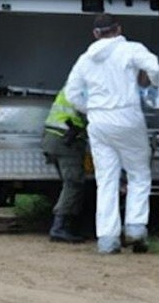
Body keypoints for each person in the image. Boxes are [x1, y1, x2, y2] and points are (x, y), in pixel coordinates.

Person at [65, 13, 159, 254]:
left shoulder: (85, 59)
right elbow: (154, 67)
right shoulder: (131, 49)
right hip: (128, 116)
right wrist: (153, 83)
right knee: (139, 172)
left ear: (95, 34)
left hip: (98, 121)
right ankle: (136, 228)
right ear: (118, 29)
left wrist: (91, 110)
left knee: (106, 179)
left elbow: (72, 94)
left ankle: (107, 239)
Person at [42, 88, 88, 243]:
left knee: (69, 184)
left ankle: (68, 226)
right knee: (73, 183)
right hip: (66, 141)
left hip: (55, 139)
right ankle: (59, 228)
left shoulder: (72, 86)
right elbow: (91, 117)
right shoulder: (84, 90)